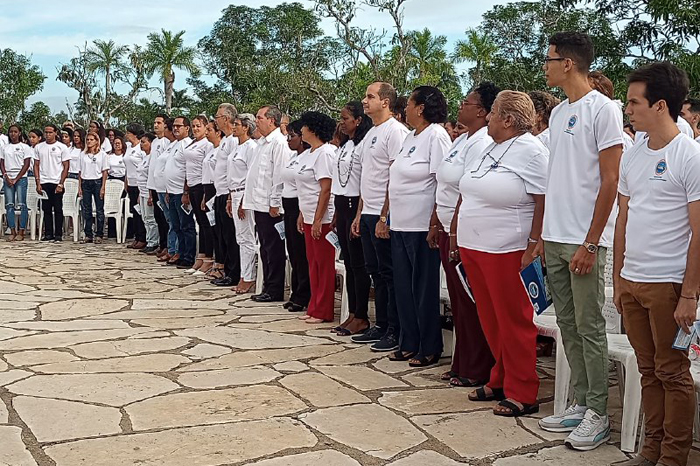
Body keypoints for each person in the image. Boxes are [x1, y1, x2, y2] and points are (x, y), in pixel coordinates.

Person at [537, 32, 624, 450]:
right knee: (566, 324)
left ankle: (598, 412)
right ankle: (580, 401)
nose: (545, 66)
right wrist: (541, 236)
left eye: (549, 59)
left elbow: (611, 179)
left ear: (568, 64)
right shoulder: (558, 114)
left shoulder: (604, 109)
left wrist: (591, 242)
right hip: (555, 235)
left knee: (590, 326)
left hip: (583, 239)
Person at [611, 62, 700, 466]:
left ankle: (673, 456)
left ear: (660, 105)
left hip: (668, 285)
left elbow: (699, 232)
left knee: (673, 372)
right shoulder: (633, 156)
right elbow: (625, 218)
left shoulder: (689, 156)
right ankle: (651, 449)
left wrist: (689, 294)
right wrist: (618, 278)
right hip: (632, 282)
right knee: (648, 371)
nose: (627, 109)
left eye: (634, 102)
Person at [459, 90, 547, 417]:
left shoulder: (532, 151)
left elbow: (544, 199)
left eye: (493, 113)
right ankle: (501, 377)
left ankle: (523, 390)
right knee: (490, 318)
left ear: (508, 119)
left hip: (507, 248)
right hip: (476, 246)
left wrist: (534, 243)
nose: (489, 118)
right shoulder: (490, 147)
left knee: (513, 320)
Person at [439, 83, 499, 387]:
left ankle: (476, 366)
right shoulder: (463, 139)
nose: (460, 106)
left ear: (482, 111)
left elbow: (467, 189)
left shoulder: (481, 142)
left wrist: (452, 231)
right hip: (447, 225)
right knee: (459, 302)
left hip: (464, 232)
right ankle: (461, 361)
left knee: (470, 302)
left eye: (466, 102)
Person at [388, 86, 451, 366]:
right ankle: (409, 340)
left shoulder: (436, 136)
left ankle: (429, 345)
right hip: (401, 223)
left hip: (421, 223)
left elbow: (442, 181)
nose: (406, 108)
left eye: (410, 103)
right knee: (403, 286)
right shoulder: (410, 136)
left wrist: (435, 222)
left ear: (422, 107)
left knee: (423, 288)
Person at [350, 82, 410, 352]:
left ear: (385, 102)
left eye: (370, 96)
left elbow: (394, 176)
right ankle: (382, 324)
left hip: (383, 215)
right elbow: (367, 176)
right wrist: (360, 212)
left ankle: (395, 329)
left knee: (389, 274)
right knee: (375, 272)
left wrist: (385, 215)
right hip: (368, 212)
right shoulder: (372, 132)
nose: (365, 101)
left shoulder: (395, 132)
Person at [332, 102, 373, 335]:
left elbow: (363, 181)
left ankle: (362, 315)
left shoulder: (362, 144)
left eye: (346, 118)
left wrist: (358, 212)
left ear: (358, 120)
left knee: (359, 265)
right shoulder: (346, 144)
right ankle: (352, 313)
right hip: (342, 204)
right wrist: (338, 213)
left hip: (355, 203)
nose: (342, 123)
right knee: (348, 263)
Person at [294, 111, 338, 323]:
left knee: (324, 265)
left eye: (303, 127)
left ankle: (324, 309)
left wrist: (319, 219)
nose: (300, 130)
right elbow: (304, 187)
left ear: (312, 129)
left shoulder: (326, 153)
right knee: (312, 263)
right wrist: (303, 214)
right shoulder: (309, 154)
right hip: (309, 214)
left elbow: (326, 189)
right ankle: (314, 305)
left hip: (324, 218)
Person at [244, 105, 288, 303]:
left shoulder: (279, 142)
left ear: (271, 120)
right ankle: (267, 285)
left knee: (273, 248)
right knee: (264, 247)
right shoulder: (261, 143)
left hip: (270, 206)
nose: (257, 121)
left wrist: (275, 202)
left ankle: (275, 288)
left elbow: (278, 175)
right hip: (257, 203)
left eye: (260, 117)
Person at [280, 120, 312, 311]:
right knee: (293, 252)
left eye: (292, 136)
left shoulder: (309, 156)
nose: (289, 140)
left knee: (301, 253)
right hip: (288, 205)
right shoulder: (293, 157)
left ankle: (304, 294)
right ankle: (296, 292)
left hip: (300, 205)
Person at [226, 113, 258, 293]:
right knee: (240, 237)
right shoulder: (237, 147)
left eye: (237, 124)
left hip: (245, 195)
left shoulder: (251, 147)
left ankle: (249, 277)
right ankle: (244, 274)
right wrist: (231, 198)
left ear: (246, 127)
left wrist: (243, 201)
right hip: (235, 193)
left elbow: (250, 177)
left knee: (247, 237)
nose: (234, 127)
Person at [210, 103, 241, 286]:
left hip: (229, 193)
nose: (216, 119)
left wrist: (229, 195)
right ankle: (227, 270)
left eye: (218, 116)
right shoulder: (226, 141)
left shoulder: (233, 141)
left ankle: (234, 272)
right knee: (223, 235)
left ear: (227, 118)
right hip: (220, 192)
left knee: (231, 236)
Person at [183, 115, 215, 274]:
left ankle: (209, 258)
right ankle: (201, 256)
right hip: (193, 184)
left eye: (199, 126)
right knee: (200, 223)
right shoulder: (192, 143)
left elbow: (208, 167)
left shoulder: (207, 144)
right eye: (194, 126)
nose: (195, 129)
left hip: (203, 186)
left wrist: (205, 193)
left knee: (206, 223)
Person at [164, 116, 195, 268]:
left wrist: (186, 191)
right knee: (176, 226)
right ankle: (180, 252)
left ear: (187, 128)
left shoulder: (188, 145)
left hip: (182, 192)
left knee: (186, 226)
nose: (175, 128)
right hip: (172, 191)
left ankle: (188, 256)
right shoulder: (175, 144)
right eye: (174, 126)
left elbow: (187, 170)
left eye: (179, 126)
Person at [34, 124, 70, 242]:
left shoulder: (62, 147)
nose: (48, 135)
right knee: (46, 209)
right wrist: (38, 182)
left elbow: (66, 166)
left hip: (56, 181)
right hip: (44, 181)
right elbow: (36, 165)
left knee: (58, 209)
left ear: (55, 133)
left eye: (50, 132)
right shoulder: (39, 147)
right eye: (46, 132)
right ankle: (48, 233)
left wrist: (61, 183)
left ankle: (58, 234)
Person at [0, 124, 33, 241]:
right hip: (8, 177)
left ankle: (22, 230)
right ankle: (12, 230)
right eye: (11, 132)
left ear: (19, 133)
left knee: (22, 204)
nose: (13, 134)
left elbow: (26, 164)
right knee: (9, 205)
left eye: (15, 132)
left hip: (21, 178)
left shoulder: (25, 147)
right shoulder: (5, 148)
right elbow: (2, 163)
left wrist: (16, 178)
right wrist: (6, 176)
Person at [154, 119, 179, 264]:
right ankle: (170, 248)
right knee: (169, 220)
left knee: (173, 222)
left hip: (169, 188)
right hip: (162, 187)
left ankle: (173, 250)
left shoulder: (175, 144)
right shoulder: (169, 145)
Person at [203, 119, 225, 280]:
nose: (206, 132)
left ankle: (221, 263)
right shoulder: (211, 149)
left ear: (218, 132)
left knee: (220, 229)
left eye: (209, 130)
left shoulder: (222, 149)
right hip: (208, 189)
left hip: (218, 190)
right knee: (212, 227)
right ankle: (217, 261)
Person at [78, 132, 109, 243]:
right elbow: (80, 171)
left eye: (92, 139)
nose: (89, 142)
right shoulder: (82, 154)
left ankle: (99, 234)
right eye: (88, 140)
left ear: (96, 141)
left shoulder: (103, 155)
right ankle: (88, 234)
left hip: (97, 181)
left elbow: (105, 171)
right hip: (86, 181)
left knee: (99, 209)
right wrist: (79, 186)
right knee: (87, 209)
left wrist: (103, 187)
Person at [149, 115, 173, 257]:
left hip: (164, 186)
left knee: (166, 219)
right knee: (159, 217)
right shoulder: (155, 142)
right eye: (155, 122)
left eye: (159, 123)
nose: (156, 125)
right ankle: (162, 243)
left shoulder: (166, 142)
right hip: (154, 184)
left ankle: (167, 246)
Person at [124, 124, 146, 250]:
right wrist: (126, 181)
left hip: (139, 183)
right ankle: (137, 237)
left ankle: (142, 237)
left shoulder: (140, 147)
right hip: (131, 182)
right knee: (134, 212)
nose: (126, 135)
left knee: (140, 212)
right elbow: (127, 166)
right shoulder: (128, 147)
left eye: (128, 133)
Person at [137, 133, 159, 254]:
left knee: (151, 218)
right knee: (145, 218)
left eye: (144, 142)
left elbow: (150, 176)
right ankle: (148, 239)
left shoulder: (152, 158)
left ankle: (153, 242)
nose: (141, 145)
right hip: (142, 191)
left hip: (148, 191)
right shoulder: (144, 157)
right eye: (141, 142)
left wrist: (150, 194)